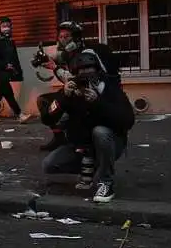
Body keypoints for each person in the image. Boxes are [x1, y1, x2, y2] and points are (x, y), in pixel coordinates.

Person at [42, 49, 134, 203]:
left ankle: (106, 182)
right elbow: (47, 118)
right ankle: (93, 168)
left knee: (100, 132)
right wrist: (64, 97)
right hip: (82, 147)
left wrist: (98, 103)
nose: (85, 78)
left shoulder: (110, 89)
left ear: (98, 71)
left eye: (89, 72)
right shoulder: (71, 90)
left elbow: (127, 120)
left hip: (111, 142)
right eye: (81, 73)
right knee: (49, 165)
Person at [37, 21, 119, 151]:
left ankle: (83, 140)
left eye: (67, 36)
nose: (63, 40)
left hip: (90, 94)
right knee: (44, 101)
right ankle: (59, 138)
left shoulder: (85, 53)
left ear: (75, 37)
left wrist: (55, 67)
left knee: (59, 108)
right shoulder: (70, 52)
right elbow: (56, 57)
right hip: (77, 91)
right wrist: (41, 59)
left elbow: (78, 80)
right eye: (61, 36)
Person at [0, 16, 31, 123]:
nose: (6, 28)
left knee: (0, 92)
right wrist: (5, 65)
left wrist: (17, 70)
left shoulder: (9, 41)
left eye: (8, 26)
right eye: (4, 26)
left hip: (6, 71)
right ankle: (19, 114)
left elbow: (14, 57)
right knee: (8, 92)